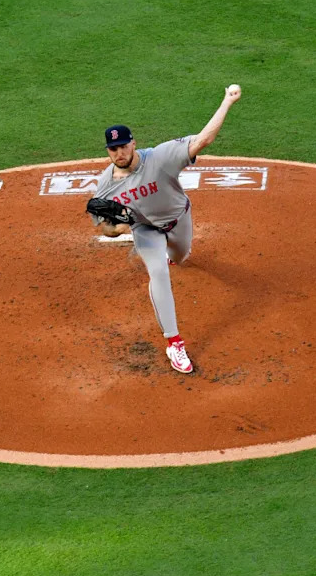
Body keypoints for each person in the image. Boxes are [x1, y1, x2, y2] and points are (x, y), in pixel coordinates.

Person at [90, 84, 242, 373]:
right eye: (113, 149)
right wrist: (124, 228)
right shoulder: (105, 186)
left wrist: (227, 101)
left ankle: (173, 253)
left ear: (133, 143)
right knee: (158, 270)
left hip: (179, 219)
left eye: (123, 146)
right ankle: (174, 342)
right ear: (107, 151)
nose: (119, 152)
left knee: (181, 257)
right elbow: (106, 229)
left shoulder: (160, 157)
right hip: (145, 230)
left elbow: (203, 140)